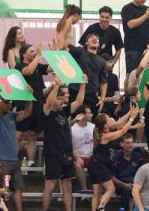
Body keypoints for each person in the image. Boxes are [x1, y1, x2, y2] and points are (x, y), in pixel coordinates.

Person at [41, 79, 85, 211]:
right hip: (53, 154)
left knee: (68, 186)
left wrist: (83, 84)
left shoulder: (64, 111)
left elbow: (78, 102)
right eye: (60, 98)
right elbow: (49, 102)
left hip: (67, 153)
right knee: (50, 186)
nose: (63, 101)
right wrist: (56, 87)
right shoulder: (47, 111)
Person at [0, 91, 32, 211]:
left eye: (10, 103)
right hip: (1, 160)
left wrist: (29, 97)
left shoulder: (11, 116)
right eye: (6, 103)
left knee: (18, 188)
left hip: (14, 159)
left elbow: (28, 112)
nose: (10, 105)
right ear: (0, 103)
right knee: (0, 189)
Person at [89, 109, 143, 211]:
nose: (111, 119)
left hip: (94, 163)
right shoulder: (104, 135)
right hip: (98, 164)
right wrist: (131, 118)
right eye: (108, 119)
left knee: (97, 193)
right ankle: (100, 208)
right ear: (105, 125)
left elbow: (119, 122)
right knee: (111, 189)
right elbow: (122, 131)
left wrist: (130, 112)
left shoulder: (103, 130)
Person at [16, 43, 48, 167]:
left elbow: (50, 68)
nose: (34, 53)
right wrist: (39, 56)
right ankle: (12, 158)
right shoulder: (19, 66)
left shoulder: (38, 65)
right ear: (24, 54)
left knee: (33, 134)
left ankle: (30, 162)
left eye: (35, 51)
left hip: (38, 104)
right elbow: (28, 71)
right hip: (23, 105)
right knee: (18, 134)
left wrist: (56, 53)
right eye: (31, 51)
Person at [80, 6, 125, 73]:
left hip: (106, 64)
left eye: (107, 17)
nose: (104, 19)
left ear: (111, 18)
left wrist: (112, 63)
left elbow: (119, 50)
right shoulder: (91, 28)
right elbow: (82, 46)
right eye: (102, 17)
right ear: (99, 16)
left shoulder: (115, 31)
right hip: (91, 63)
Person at [112, 134, 145, 209]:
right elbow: (112, 177)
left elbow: (143, 174)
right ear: (121, 144)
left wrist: (135, 184)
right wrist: (125, 184)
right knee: (126, 190)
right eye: (127, 143)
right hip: (121, 185)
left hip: (135, 184)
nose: (130, 145)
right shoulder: (116, 158)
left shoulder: (138, 157)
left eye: (131, 142)